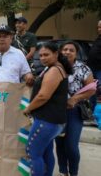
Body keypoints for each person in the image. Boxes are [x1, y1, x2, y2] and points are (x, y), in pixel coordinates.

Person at [23, 42, 73, 176]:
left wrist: (28, 108)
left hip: (47, 121)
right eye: (40, 56)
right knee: (45, 152)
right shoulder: (53, 68)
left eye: (46, 54)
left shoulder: (54, 70)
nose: (43, 58)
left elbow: (43, 96)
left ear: (56, 54)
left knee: (32, 153)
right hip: (52, 121)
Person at [56, 41, 95, 176]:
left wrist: (75, 99)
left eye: (71, 50)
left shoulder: (83, 68)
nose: (67, 52)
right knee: (60, 144)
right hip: (57, 112)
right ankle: (63, 171)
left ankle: (73, 173)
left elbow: (92, 89)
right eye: (65, 49)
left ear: (76, 53)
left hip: (74, 111)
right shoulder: (55, 67)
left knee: (71, 146)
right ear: (60, 52)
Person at [87, 20, 101, 110]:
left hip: (100, 69)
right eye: (98, 27)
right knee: (91, 90)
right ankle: (92, 110)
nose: (99, 29)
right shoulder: (99, 39)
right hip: (93, 69)